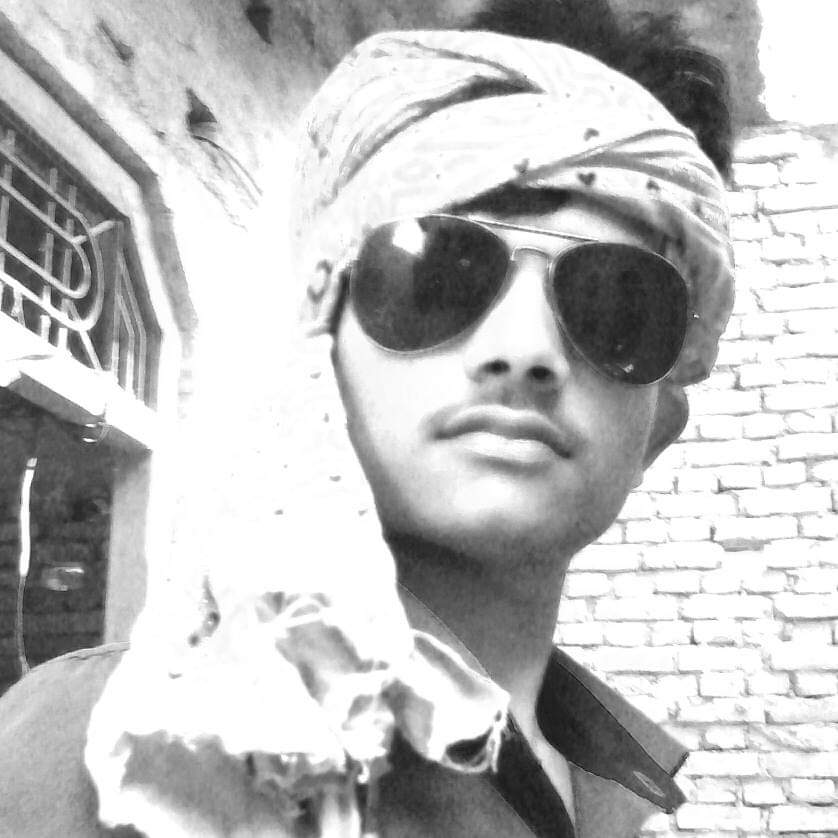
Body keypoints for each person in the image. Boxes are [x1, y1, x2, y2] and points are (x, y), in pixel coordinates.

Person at [0, 2, 734, 836]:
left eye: (616, 305)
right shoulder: (99, 758)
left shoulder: (608, 794)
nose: (526, 349)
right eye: (437, 271)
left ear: (658, 429)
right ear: (318, 353)